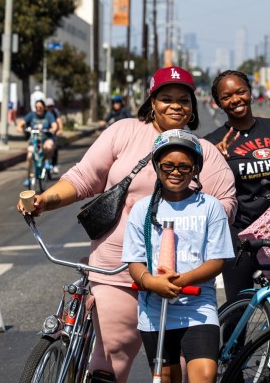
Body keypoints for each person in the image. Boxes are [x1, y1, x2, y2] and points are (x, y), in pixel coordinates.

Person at [17, 66, 237, 383]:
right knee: (111, 359)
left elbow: (225, 205)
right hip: (117, 272)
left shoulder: (204, 153)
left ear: (192, 107)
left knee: (185, 372)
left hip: (179, 283)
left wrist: (187, 205)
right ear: (152, 102)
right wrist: (44, 201)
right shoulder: (125, 132)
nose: (176, 105)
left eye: (183, 99)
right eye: (166, 98)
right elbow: (83, 178)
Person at [122, 129, 234, 383]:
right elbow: (135, 263)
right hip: (154, 312)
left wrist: (181, 281)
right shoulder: (142, 210)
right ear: (157, 167)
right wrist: (151, 282)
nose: (175, 172)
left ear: (196, 170)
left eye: (185, 167)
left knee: (205, 376)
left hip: (198, 306)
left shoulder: (210, 207)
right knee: (167, 378)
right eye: (168, 166)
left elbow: (217, 260)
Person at [204, 70, 270, 300]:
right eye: (227, 96)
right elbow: (203, 190)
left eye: (240, 91)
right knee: (238, 307)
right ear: (219, 103)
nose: (235, 99)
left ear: (250, 93)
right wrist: (217, 160)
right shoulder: (212, 142)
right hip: (239, 235)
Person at [16, 99, 58, 186]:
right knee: (29, 156)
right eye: (36, 107)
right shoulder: (31, 115)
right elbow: (22, 123)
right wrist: (20, 127)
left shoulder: (48, 115)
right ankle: (29, 178)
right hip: (34, 140)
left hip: (46, 138)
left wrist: (52, 129)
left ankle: (47, 161)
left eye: (40, 107)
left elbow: (54, 125)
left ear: (44, 108)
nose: (38, 109)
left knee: (49, 147)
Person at [44, 97, 64, 174]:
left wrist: (60, 129)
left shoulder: (55, 112)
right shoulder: (43, 113)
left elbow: (59, 121)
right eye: (48, 106)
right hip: (44, 132)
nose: (50, 108)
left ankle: (54, 164)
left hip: (53, 132)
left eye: (51, 106)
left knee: (54, 147)